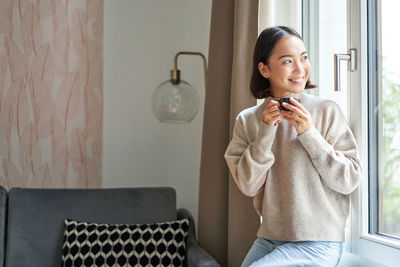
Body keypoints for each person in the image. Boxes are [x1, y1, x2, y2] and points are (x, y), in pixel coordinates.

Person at [224, 26, 362, 267]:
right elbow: (248, 185)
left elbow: (349, 179)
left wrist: (308, 133)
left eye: (304, 58)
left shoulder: (326, 111)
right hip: (269, 238)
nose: (300, 69)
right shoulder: (247, 120)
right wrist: (266, 131)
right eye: (288, 61)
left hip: (318, 242)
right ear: (264, 69)